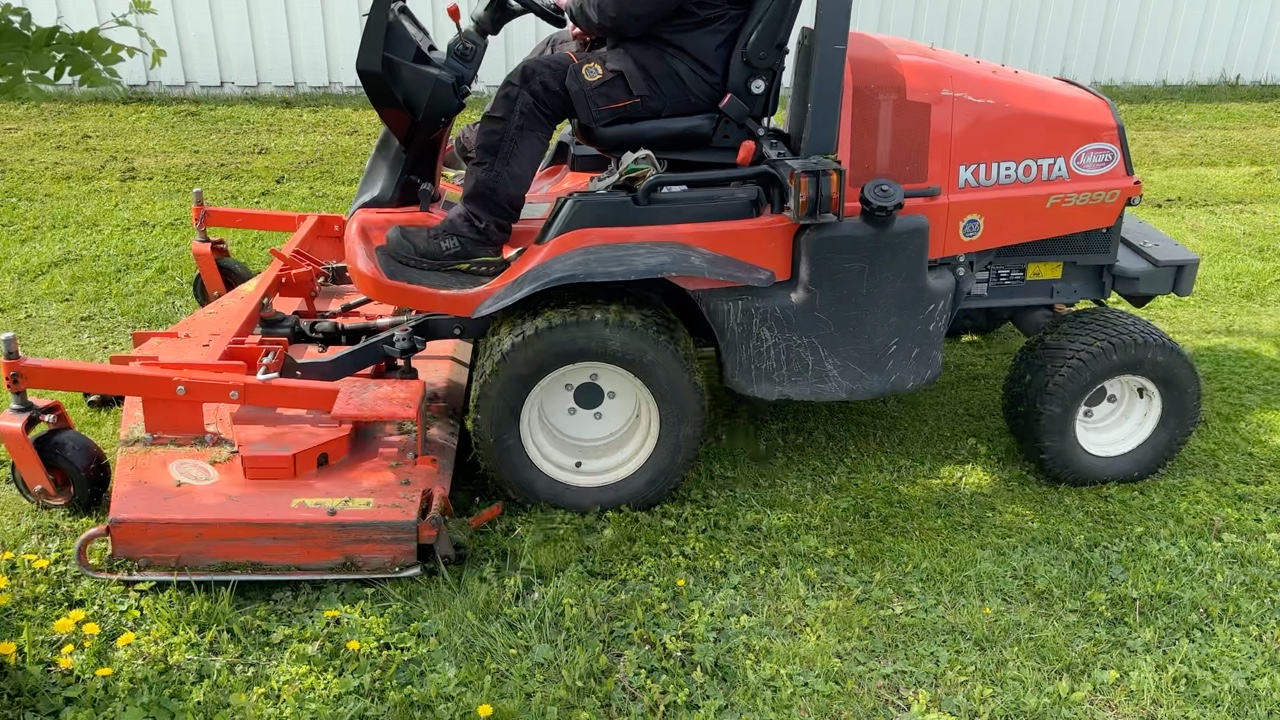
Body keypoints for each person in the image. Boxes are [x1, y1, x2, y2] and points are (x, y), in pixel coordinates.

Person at [384, 0, 753, 276]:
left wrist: (579, 8)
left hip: (680, 74)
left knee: (534, 85)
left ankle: (473, 234)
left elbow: (625, 7)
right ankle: (479, 148)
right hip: (674, 54)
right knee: (554, 47)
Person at [446, 29, 604, 171]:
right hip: (616, 49)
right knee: (558, 44)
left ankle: (480, 145)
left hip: (616, 56)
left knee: (539, 66)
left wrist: (581, 14)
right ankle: (479, 142)